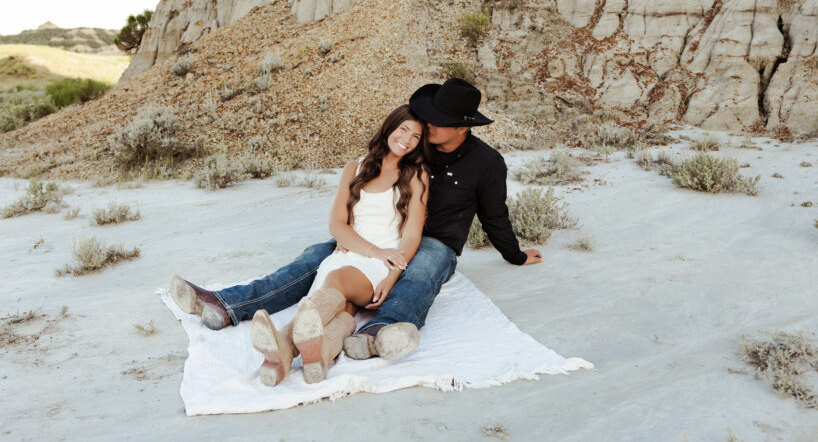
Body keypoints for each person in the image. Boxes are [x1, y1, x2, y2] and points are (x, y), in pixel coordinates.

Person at [169, 78, 542, 365]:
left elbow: (495, 215)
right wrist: (360, 239)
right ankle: (227, 304)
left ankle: (380, 331)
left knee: (424, 266)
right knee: (314, 257)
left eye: (439, 122)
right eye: (429, 117)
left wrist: (515, 255)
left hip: (431, 240)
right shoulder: (418, 143)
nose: (428, 125)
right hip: (379, 236)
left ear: (464, 127)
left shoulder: (486, 163)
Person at [247, 104, 429, 386]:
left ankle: (284, 342)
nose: (407, 138)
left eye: (416, 136)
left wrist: (391, 273)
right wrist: (363, 247)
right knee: (342, 309)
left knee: (336, 280)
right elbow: (337, 226)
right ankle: (316, 359)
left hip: (381, 262)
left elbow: (412, 236)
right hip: (348, 252)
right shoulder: (353, 169)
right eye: (403, 129)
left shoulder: (416, 175)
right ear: (389, 127)